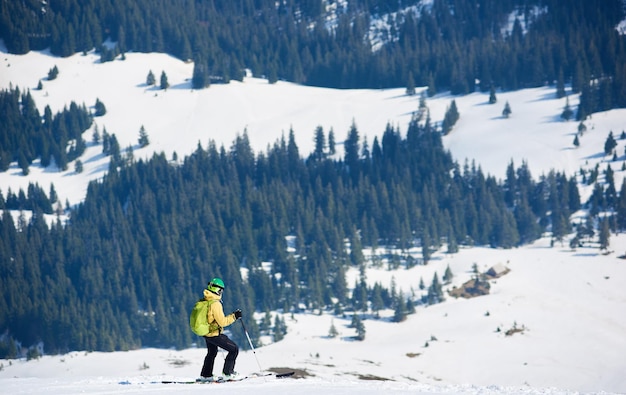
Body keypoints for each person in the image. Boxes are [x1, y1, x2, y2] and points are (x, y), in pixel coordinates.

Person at [199, 277, 242, 382]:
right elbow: (222, 322)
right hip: (214, 334)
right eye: (221, 290)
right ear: (218, 290)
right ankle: (228, 373)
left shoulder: (205, 300)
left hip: (206, 333)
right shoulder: (215, 303)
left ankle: (206, 375)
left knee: (212, 352)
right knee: (234, 349)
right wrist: (234, 316)